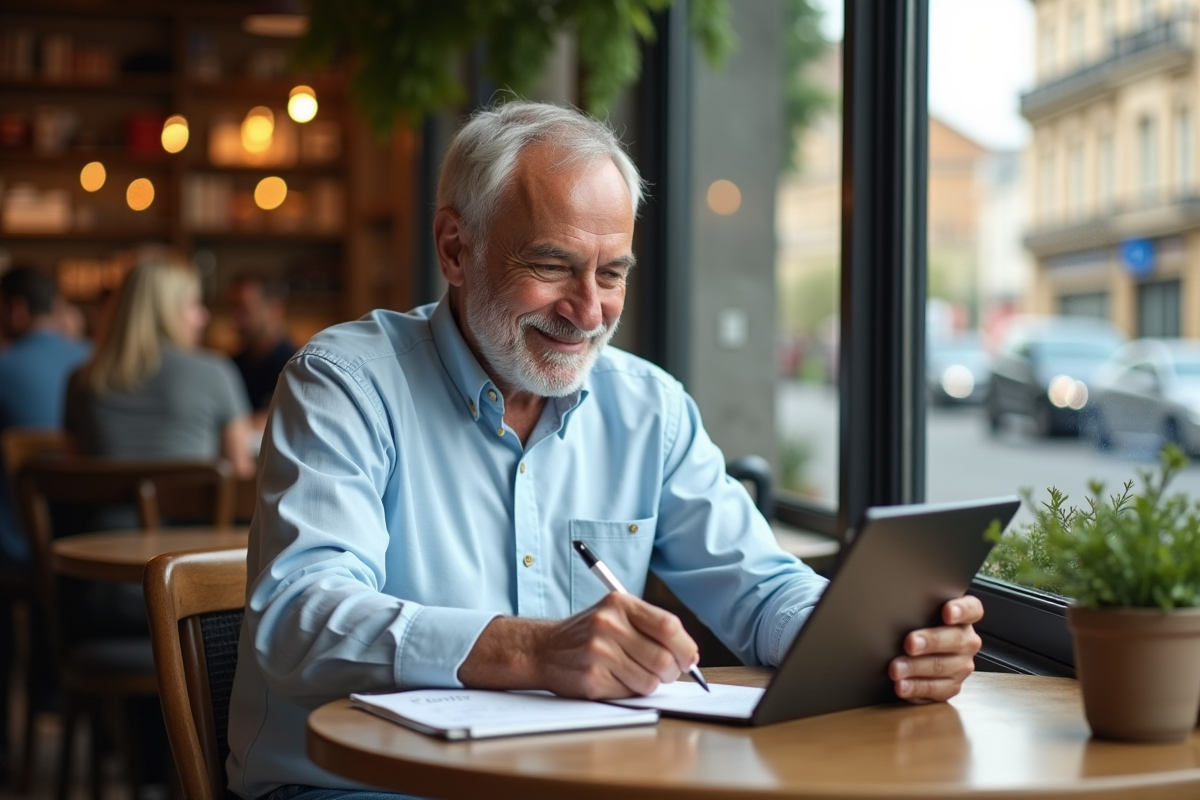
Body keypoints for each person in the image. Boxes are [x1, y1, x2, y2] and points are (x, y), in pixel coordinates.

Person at [227, 102, 984, 800]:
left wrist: (880, 641)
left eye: (612, 273)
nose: (588, 312)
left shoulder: (650, 407)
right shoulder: (346, 383)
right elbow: (298, 619)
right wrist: (531, 651)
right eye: (552, 266)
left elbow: (760, 590)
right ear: (456, 248)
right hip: (353, 788)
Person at [0, 265, 90, 777]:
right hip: (90, 556)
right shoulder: (95, 364)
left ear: (15, 309)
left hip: (18, 551)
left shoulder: (5, 366)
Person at [65, 257, 255, 479]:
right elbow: (241, 474)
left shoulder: (81, 380)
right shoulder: (216, 373)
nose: (204, 317)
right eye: (194, 304)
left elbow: (74, 478)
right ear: (167, 310)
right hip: (190, 503)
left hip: (103, 504)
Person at [228, 273, 297, 425]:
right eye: (233, 309)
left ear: (275, 309)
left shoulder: (297, 367)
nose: (235, 320)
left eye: (244, 310)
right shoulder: (231, 366)